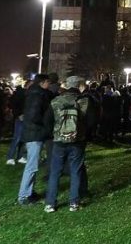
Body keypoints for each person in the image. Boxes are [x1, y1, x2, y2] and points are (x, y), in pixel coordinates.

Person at [43, 76, 90, 212]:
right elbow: (91, 120)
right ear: (79, 85)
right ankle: (74, 202)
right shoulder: (84, 101)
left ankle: (50, 203)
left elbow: (47, 121)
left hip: (59, 140)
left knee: (55, 172)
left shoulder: (57, 100)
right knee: (76, 171)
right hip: (78, 140)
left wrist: (53, 133)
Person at [17, 74, 52, 206]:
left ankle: (29, 192)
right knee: (31, 166)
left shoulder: (34, 94)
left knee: (33, 165)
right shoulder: (37, 96)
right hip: (34, 134)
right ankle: (24, 195)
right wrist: (45, 125)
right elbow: (34, 116)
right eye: (48, 82)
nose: (49, 85)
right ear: (43, 82)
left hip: (34, 133)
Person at [6, 79, 30, 165]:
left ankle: (20, 156)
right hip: (21, 118)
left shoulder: (27, 94)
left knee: (23, 139)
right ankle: (10, 157)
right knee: (17, 138)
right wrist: (19, 114)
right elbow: (13, 104)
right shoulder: (21, 94)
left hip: (25, 118)